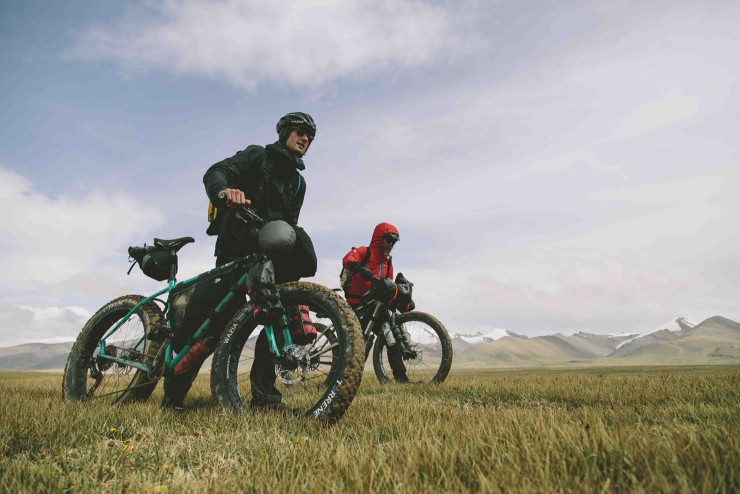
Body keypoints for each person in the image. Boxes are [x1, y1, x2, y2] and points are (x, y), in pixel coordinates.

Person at [161, 112, 318, 412]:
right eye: (299, 131)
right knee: (210, 327)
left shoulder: (299, 184)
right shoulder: (257, 156)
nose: (305, 138)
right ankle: (173, 398)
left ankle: (264, 396)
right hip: (235, 253)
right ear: (285, 132)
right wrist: (224, 192)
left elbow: (289, 223)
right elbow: (216, 171)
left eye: (309, 136)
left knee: (276, 314)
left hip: (268, 260)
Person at [341, 222, 410, 382]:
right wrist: (359, 268)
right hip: (356, 305)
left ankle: (401, 378)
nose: (391, 244)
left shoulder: (388, 262)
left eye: (394, 242)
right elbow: (348, 258)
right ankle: (334, 378)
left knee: (391, 336)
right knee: (351, 344)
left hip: (375, 307)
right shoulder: (365, 252)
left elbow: (388, 283)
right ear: (380, 239)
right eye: (388, 240)